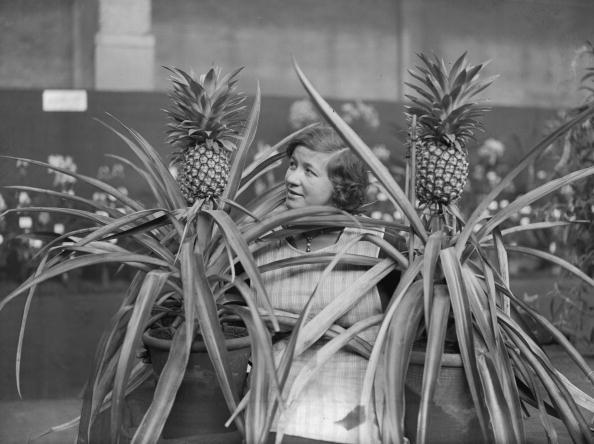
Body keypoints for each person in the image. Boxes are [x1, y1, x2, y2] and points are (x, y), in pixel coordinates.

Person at [252, 125, 401, 443]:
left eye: (309, 171)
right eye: (292, 165)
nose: (292, 179)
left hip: (355, 397)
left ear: (341, 185)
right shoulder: (259, 243)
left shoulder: (379, 247)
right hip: (274, 394)